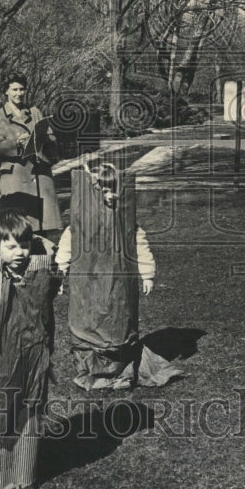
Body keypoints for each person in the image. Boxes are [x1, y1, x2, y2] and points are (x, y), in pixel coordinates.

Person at [0, 210, 60, 489]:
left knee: (27, 413)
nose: (19, 253)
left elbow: (46, 314)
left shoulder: (37, 272)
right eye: (11, 246)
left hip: (31, 359)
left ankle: (22, 476)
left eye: (24, 245)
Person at [56, 162, 156, 391]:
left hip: (118, 286)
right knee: (89, 323)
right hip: (88, 285)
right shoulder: (80, 224)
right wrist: (60, 270)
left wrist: (147, 274)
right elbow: (66, 246)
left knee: (117, 321)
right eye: (102, 190)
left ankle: (118, 371)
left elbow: (141, 246)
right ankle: (92, 371)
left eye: (112, 189)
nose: (108, 195)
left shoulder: (127, 223)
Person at [0, 73, 62, 238]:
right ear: (6, 92)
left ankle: (42, 262)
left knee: (44, 228)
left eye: (22, 89)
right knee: (17, 226)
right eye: (14, 89)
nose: (19, 93)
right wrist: (16, 142)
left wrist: (41, 139)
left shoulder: (35, 112)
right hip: (15, 175)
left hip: (39, 172)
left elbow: (51, 138)